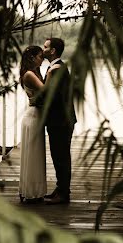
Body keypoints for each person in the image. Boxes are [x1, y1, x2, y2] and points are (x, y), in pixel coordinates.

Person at [41, 37, 77, 205]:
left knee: (61, 156)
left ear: (53, 51)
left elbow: (53, 96)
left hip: (61, 120)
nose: (43, 48)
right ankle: (60, 189)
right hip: (60, 119)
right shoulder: (56, 67)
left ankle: (63, 194)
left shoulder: (57, 69)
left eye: (46, 46)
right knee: (58, 156)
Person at [18, 45, 47, 204]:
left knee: (35, 155)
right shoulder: (29, 74)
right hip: (33, 116)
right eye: (40, 57)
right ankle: (32, 191)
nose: (42, 60)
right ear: (32, 58)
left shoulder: (33, 73)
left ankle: (34, 191)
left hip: (35, 115)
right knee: (33, 155)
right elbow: (46, 90)